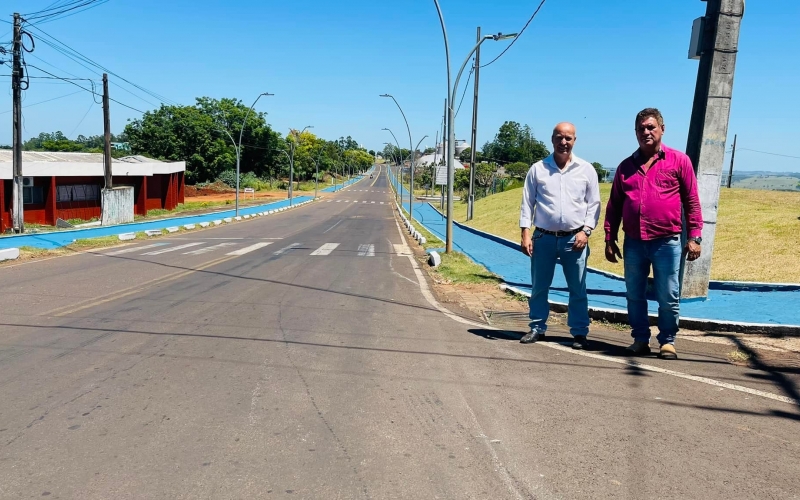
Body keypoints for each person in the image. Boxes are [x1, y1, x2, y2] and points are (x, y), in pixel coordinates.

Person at [604, 108, 703, 360]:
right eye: (641, 128)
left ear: (662, 129)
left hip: (666, 242)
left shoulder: (679, 161)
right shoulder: (625, 166)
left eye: (650, 127)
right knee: (634, 294)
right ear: (635, 132)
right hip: (634, 242)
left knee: (668, 295)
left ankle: (667, 341)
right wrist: (609, 237)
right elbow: (614, 205)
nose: (646, 132)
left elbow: (692, 201)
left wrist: (695, 236)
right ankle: (640, 339)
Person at [519, 122, 601, 349]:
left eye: (568, 138)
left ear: (575, 140)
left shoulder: (586, 170)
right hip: (543, 238)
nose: (563, 142)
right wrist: (525, 233)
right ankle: (537, 327)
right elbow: (527, 203)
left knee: (577, 288)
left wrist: (586, 231)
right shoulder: (538, 169)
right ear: (552, 139)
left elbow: (594, 205)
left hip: (575, 240)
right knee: (539, 286)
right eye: (559, 137)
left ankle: (579, 332)